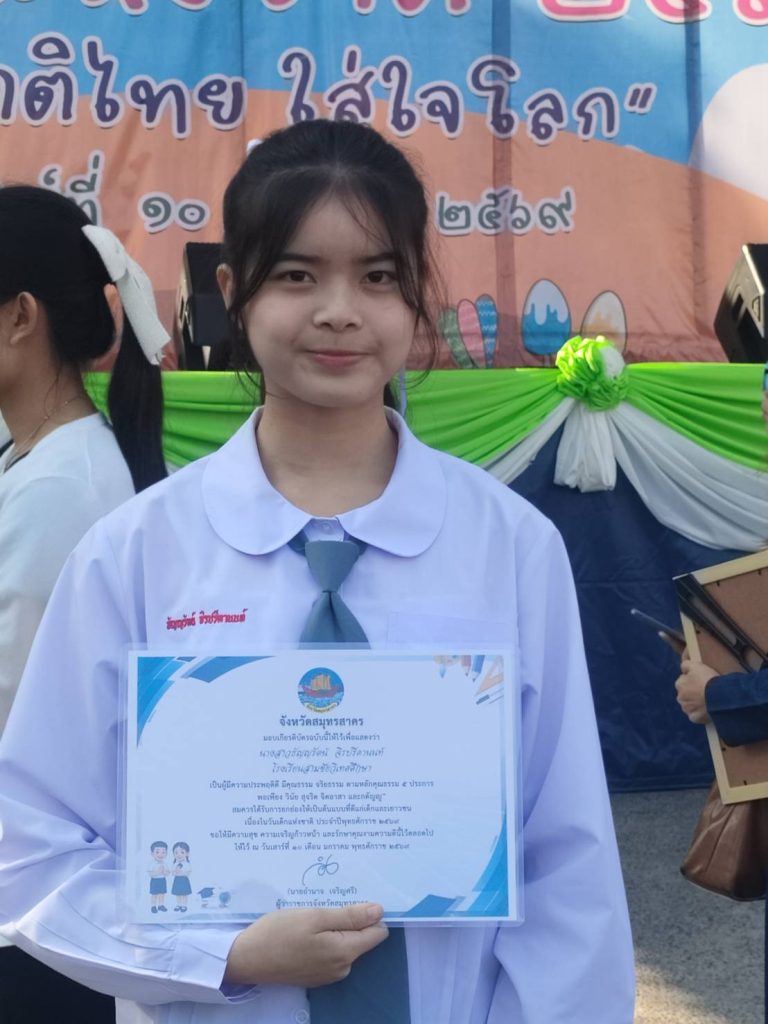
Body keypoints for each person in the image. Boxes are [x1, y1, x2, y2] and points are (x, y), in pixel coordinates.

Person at [0, 120, 634, 1023]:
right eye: (298, 275)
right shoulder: (133, 555)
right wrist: (220, 954)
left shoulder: (512, 547)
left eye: (378, 277)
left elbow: (567, 861)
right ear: (232, 292)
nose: (340, 311)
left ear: (418, 294)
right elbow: (31, 844)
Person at [0, 185, 168, 1022]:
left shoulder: (62, 487)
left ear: (20, 317)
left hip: (36, 902)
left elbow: (17, 713)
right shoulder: (40, 462)